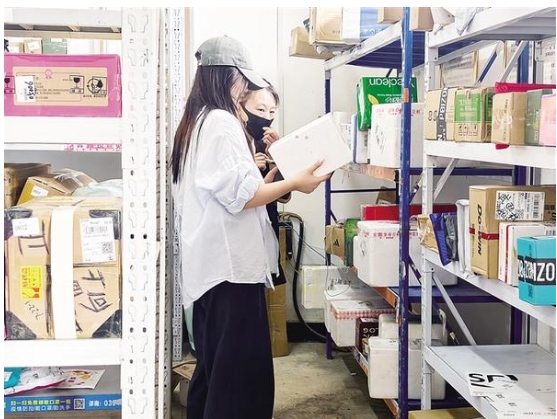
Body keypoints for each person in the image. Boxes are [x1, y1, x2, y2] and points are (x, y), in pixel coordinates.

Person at [171, 35, 329, 419]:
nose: (245, 89)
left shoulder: (197, 121)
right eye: (243, 81)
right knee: (241, 382)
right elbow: (241, 197)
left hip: (212, 270)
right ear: (227, 76)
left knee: (215, 372)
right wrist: (296, 182)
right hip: (232, 272)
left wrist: (273, 177)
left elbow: (230, 189)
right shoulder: (221, 122)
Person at [241, 84, 289, 286]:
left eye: (272, 112)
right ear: (240, 106)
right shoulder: (233, 142)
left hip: (267, 224)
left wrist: (279, 153)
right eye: (260, 110)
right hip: (241, 231)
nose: (267, 117)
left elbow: (285, 196)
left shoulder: (266, 144)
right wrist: (250, 167)